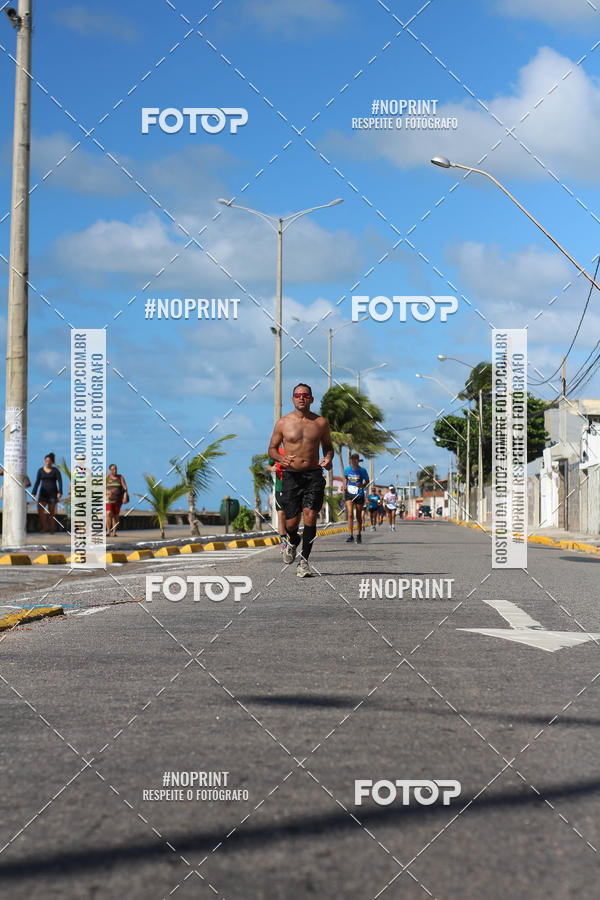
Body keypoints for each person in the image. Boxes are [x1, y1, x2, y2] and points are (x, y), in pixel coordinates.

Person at [267, 383, 334, 578]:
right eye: (297, 395)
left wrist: (328, 458)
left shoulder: (320, 423)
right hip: (291, 476)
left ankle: (304, 561)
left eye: (305, 395)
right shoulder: (283, 423)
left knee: (310, 514)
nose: (301, 397)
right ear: (292, 399)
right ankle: (293, 540)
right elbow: (271, 448)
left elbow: (328, 447)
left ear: (311, 399)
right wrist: (280, 458)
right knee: (291, 524)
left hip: (313, 474)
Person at [32, 453, 62, 533]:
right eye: (46, 460)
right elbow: (37, 482)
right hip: (43, 494)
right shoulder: (40, 470)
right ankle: (44, 527)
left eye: (49, 461)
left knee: (51, 512)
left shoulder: (55, 471)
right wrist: (33, 492)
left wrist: (60, 492)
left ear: (52, 461)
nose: (47, 462)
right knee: (40, 511)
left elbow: (60, 481)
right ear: (44, 461)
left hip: (53, 494)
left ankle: (52, 528)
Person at [343, 454, 369, 543]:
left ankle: (358, 534)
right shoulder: (347, 470)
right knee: (350, 514)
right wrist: (344, 486)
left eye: (356, 459)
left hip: (359, 493)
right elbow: (346, 478)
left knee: (358, 515)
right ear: (351, 460)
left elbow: (367, 481)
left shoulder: (362, 471)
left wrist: (362, 485)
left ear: (358, 460)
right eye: (353, 459)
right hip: (349, 493)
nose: (354, 461)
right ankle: (350, 535)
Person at [266, 452, 287, 553]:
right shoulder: (277, 452)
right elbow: (268, 466)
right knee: (281, 514)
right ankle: (284, 542)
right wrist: (272, 468)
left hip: (294, 489)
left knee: (292, 517)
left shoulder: (295, 448)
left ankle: (292, 538)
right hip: (280, 489)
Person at [106, 464, 128, 536]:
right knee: (108, 513)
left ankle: (114, 532)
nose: (114, 471)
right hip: (108, 499)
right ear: (110, 470)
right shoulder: (107, 477)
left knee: (115, 516)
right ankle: (108, 531)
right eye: (113, 469)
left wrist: (125, 497)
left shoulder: (120, 477)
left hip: (118, 500)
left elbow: (125, 488)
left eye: (115, 469)